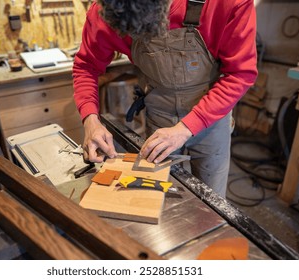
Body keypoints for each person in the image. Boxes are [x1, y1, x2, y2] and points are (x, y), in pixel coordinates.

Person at [72, 0, 258, 197]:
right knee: (159, 199)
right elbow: (86, 66)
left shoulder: (227, 3)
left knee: (212, 205)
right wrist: (91, 121)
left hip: (211, 120)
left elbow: (240, 74)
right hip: (159, 118)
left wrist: (186, 128)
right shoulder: (107, 10)